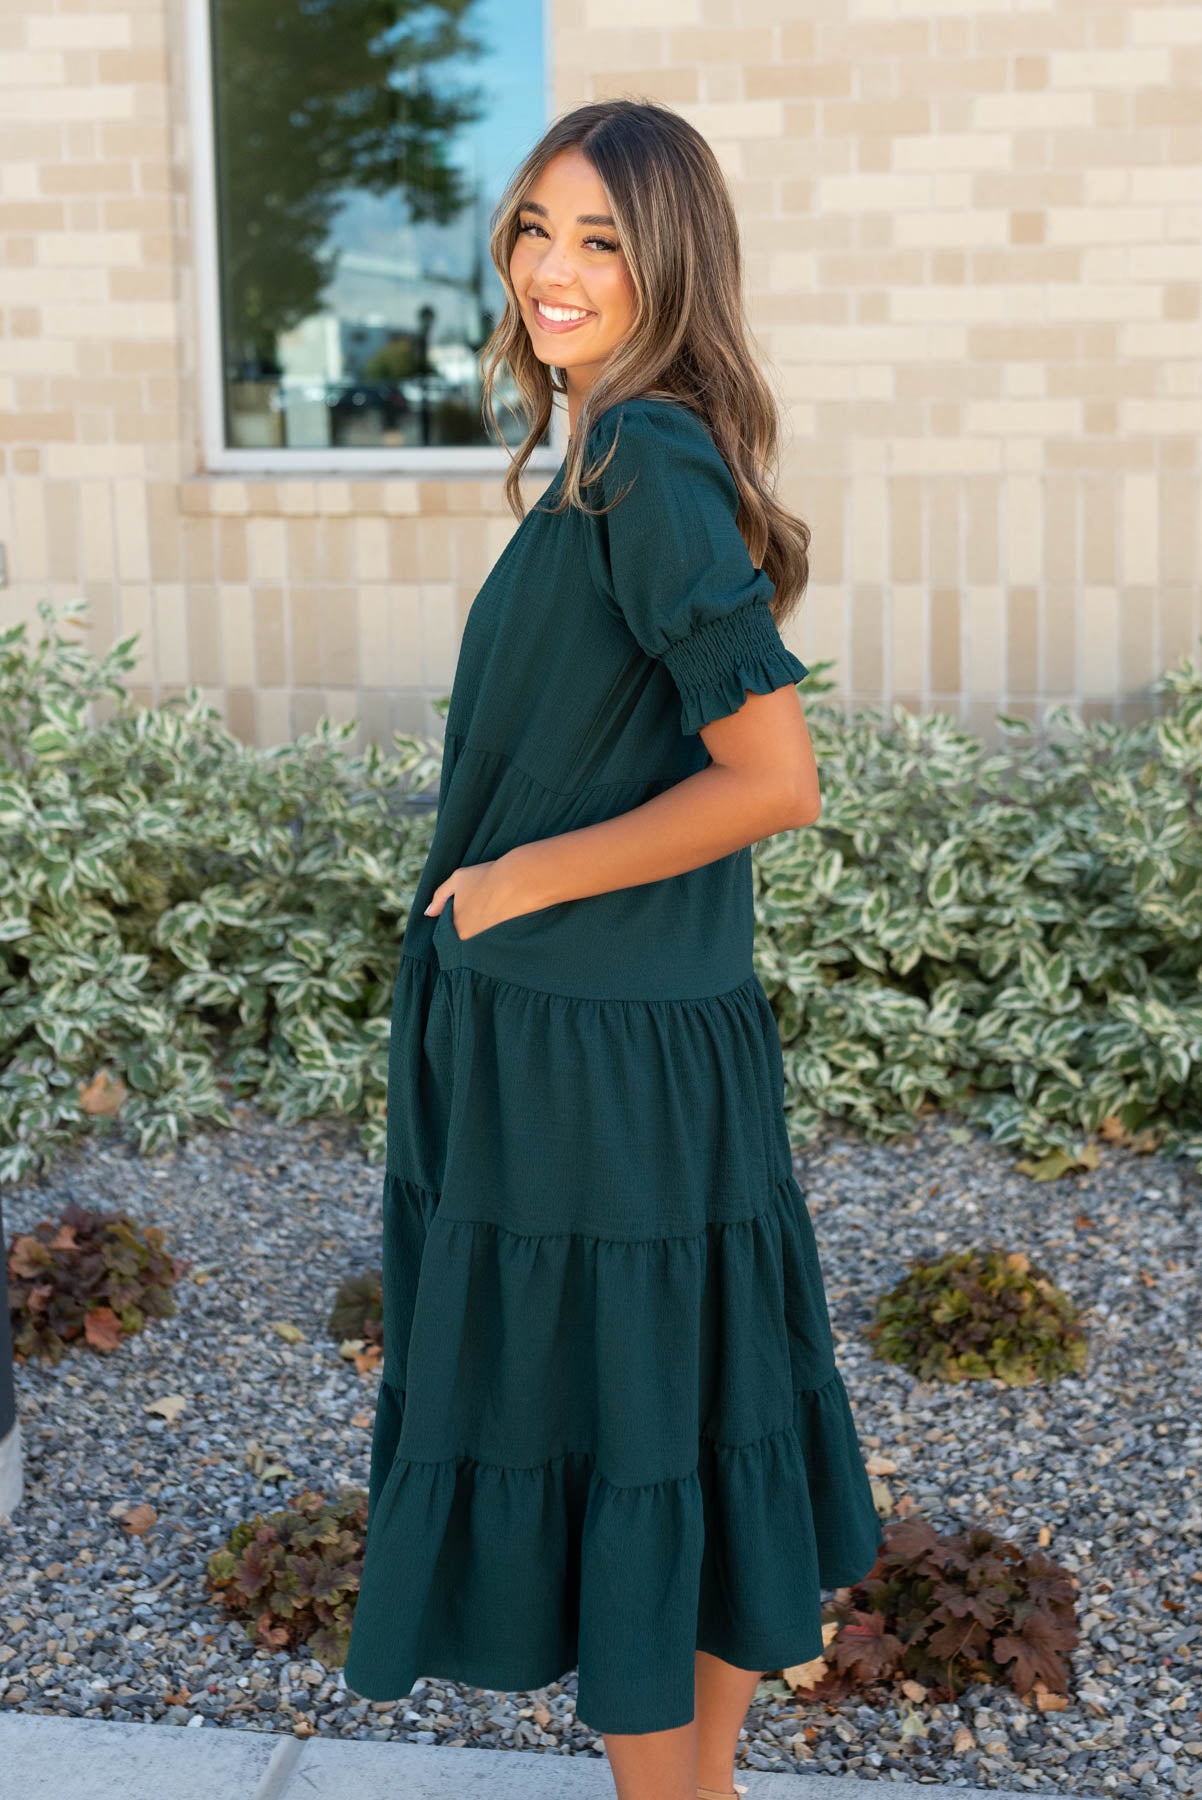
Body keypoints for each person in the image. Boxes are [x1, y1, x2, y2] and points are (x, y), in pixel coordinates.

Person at [343, 96, 883, 1800]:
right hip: (632, 1045)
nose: (553, 271)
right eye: (535, 228)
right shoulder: (617, 451)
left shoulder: (642, 457)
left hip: (592, 1055)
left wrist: (515, 885)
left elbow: (772, 778)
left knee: (626, 1430)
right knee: (685, 1430)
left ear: (671, 269)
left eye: (600, 241)